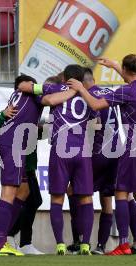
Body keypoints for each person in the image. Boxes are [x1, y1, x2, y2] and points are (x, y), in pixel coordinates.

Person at [68, 54, 136, 256]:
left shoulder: (125, 92)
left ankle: (123, 244)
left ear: (126, 69)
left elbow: (96, 105)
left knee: (122, 193)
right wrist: (114, 66)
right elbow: (131, 80)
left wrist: (79, 89)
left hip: (133, 146)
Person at [0, 75, 78, 256]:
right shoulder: (36, 93)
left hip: (11, 143)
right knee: (8, 192)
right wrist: (75, 90)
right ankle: (0, 243)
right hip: (12, 144)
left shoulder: (20, 94)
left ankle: (5, 238)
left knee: (23, 190)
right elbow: (51, 99)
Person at [79, 68, 136, 255]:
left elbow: (94, 124)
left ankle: (85, 244)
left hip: (98, 152)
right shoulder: (109, 92)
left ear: (82, 84)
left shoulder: (88, 96)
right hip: (119, 151)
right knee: (125, 196)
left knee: (81, 193)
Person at [43, 65, 99, 256]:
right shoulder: (88, 96)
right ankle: (85, 245)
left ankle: (60, 244)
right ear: (82, 78)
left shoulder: (56, 89)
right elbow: (96, 120)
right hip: (82, 150)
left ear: (64, 77)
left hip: (60, 149)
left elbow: (46, 99)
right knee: (86, 198)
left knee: (57, 198)